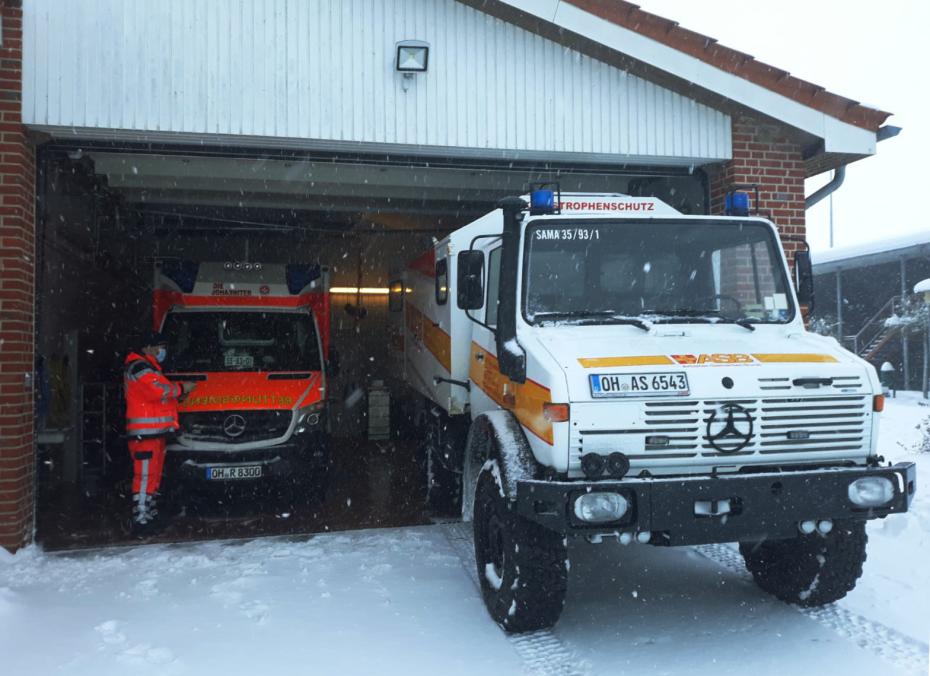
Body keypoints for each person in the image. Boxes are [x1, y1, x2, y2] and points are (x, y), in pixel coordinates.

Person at [123, 331, 195, 533]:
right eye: (158, 347)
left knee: (152, 476)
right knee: (144, 476)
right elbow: (160, 391)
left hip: (154, 434)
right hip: (144, 434)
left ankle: (149, 514)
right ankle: (141, 518)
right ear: (147, 348)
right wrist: (182, 388)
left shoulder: (149, 368)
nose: (162, 351)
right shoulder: (139, 368)